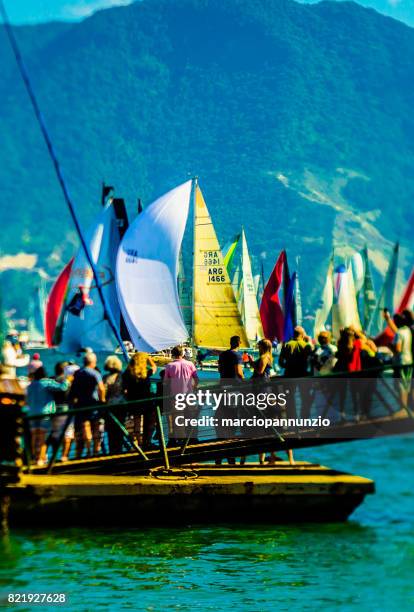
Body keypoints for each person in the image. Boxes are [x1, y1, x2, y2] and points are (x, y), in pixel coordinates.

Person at [26, 366, 69, 466]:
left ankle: (33, 458)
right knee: (42, 437)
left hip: (32, 414)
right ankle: (40, 459)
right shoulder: (46, 382)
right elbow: (62, 387)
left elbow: (26, 399)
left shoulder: (30, 385)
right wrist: (68, 380)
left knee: (34, 436)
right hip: (44, 413)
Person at [69, 352, 106, 458]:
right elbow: (101, 388)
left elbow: (73, 389)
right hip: (93, 403)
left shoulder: (78, 373)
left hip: (81, 404)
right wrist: (102, 400)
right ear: (93, 362)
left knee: (86, 427)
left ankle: (89, 450)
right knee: (95, 426)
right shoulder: (95, 373)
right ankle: (95, 452)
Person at [164, 345, 199, 444]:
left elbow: (165, 382)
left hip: (176, 396)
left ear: (173, 354)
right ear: (182, 354)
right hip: (189, 394)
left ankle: (181, 439)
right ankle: (193, 437)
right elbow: (196, 379)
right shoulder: (190, 364)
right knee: (191, 416)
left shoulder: (169, 366)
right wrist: (195, 387)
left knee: (178, 418)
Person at [122, 352, 156, 449]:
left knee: (136, 422)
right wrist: (149, 358)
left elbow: (124, 388)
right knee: (148, 422)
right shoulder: (145, 372)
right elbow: (154, 368)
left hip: (133, 401)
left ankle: (139, 443)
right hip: (145, 401)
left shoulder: (127, 373)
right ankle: (145, 443)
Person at [279, 327, 313, 419]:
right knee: (305, 397)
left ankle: (292, 420)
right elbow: (312, 362)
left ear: (293, 334)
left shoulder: (287, 345)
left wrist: (289, 366)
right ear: (302, 335)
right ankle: (304, 419)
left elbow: (281, 362)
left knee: (289, 398)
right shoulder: (307, 346)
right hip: (303, 374)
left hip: (289, 374)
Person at [47, 361, 75, 462]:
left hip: (53, 409)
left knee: (55, 435)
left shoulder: (51, 379)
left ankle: (54, 457)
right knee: (67, 434)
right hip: (66, 409)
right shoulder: (67, 380)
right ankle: (64, 456)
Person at [103, 355, 125, 455]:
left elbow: (104, 391)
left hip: (109, 406)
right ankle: (119, 450)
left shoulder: (106, 378)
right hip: (121, 405)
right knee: (120, 429)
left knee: (111, 430)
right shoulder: (122, 376)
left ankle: (112, 451)